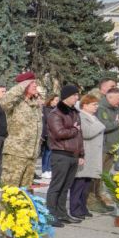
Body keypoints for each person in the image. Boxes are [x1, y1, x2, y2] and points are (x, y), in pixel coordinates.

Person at [46, 85, 84, 227]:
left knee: (65, 186)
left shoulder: (74, 112)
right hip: (60, 154)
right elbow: (59, 133)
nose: (77, 98)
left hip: (73, 155)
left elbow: (80, 135)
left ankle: (62, 213)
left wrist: (81, 153)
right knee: (56, 186)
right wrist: (74, 129)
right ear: (67, 96)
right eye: (74, 95)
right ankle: (50, 214)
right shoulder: (56, 113)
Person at [0, 72, 42, 189]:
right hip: (16, 154)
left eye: (35, 82)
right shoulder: (15, 102)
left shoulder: (35, 104)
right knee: (10, 192)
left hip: (31, 155)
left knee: (26, 194)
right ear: (23, 85)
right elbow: (4, 101)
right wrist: (22, 86)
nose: (35, 85)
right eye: (32, 83)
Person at [70, 95, 104, 219]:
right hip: (84, 154)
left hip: (92, 156)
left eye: (96, 104)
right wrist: (101, 124)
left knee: (86, 185)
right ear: (84, 105)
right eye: (93, 104)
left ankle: (83, 207)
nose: (96, 107)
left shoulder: (93, 117)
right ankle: (75, 208)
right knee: (79, 183)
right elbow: (87, 133)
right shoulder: (81, 116)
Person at [91, 88, 119, 212]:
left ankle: (99, 199)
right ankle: (91, 201)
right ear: (110, 97)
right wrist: (118, 123)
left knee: (103, 177)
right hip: (102, 148)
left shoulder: (115, 109)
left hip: (111, 148)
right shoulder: (101, 108)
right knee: (96, 176)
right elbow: (105, 126)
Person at [40, 94, 59, 179]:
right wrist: (43, 134)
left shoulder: (55, 110)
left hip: (54, 134)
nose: (57, 102)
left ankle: (49, 169)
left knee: (51, 153)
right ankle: (45, 170)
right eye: (55, 100)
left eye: (58, 100)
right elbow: (44, 122)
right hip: (47, 134)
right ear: (51, 100)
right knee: (47, 153)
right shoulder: (45, 109)